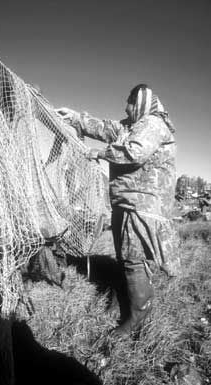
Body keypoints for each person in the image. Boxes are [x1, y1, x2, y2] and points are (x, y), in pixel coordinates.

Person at [57, 84, 180, 335]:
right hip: (126, 201)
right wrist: (76, 118)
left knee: (133, 258)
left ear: (142, 103)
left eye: (130, 102)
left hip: (143, 205)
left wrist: (98, 153)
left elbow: (136, 152)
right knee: (126, 255)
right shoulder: (129, 126)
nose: (126, 106)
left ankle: (139, 312)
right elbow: (105, 127)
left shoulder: (153, 124)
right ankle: (127, 298)